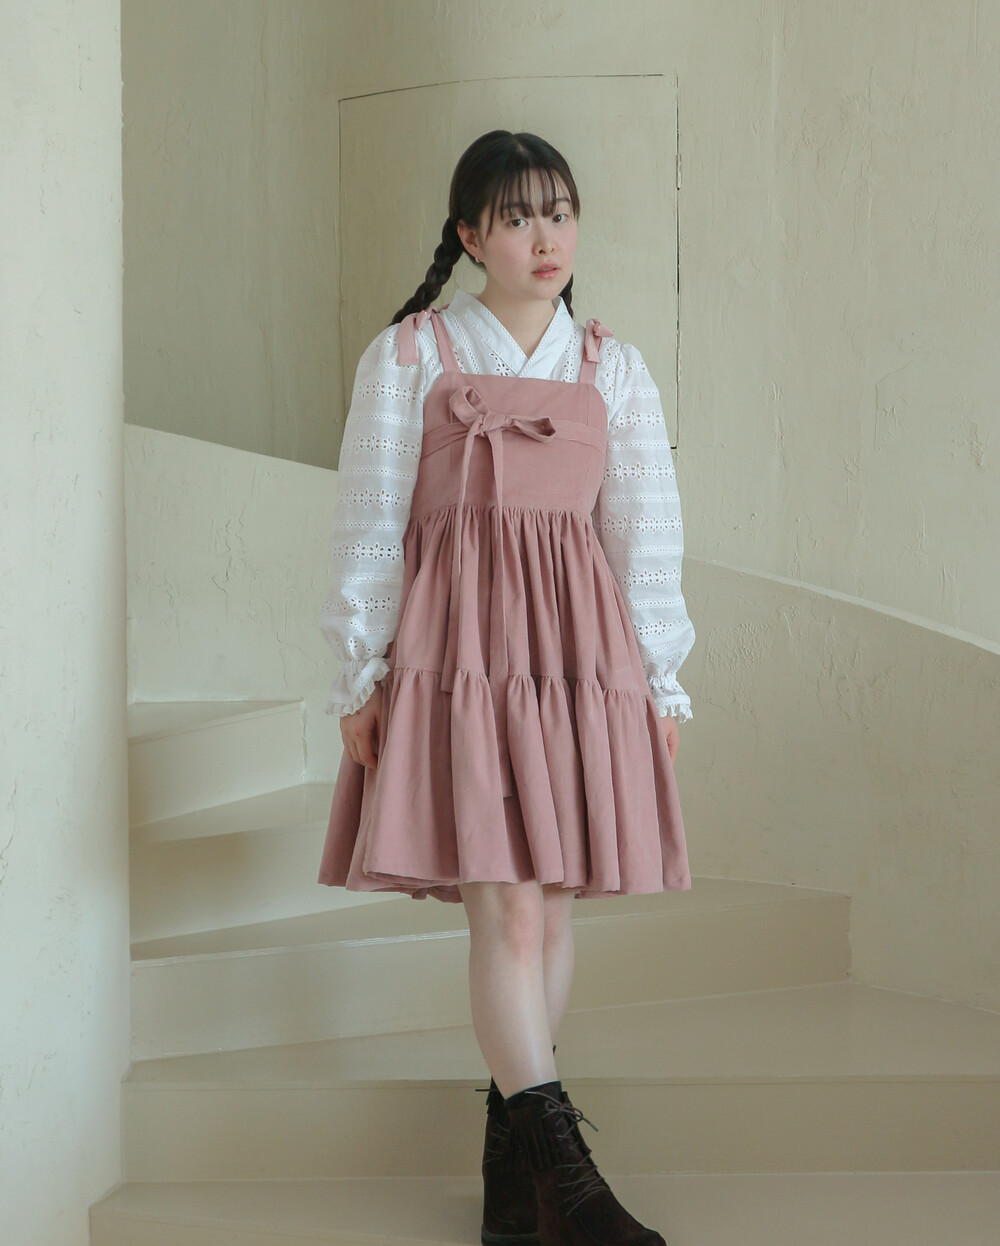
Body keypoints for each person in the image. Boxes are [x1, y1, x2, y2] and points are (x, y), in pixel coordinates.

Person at [317, 129, 695, 1246]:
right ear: (470, 234)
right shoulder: (412, 354)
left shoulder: (612, 367)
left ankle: (513, 1179)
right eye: (520, 215)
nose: (546, 236)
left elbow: (645, 535)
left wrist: (661, 681)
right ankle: (570, 1187)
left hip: (578, 659)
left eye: (560, 213)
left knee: (553, 902)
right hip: (458, 658)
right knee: (509, 905)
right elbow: (366, 524)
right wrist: (361, 670)